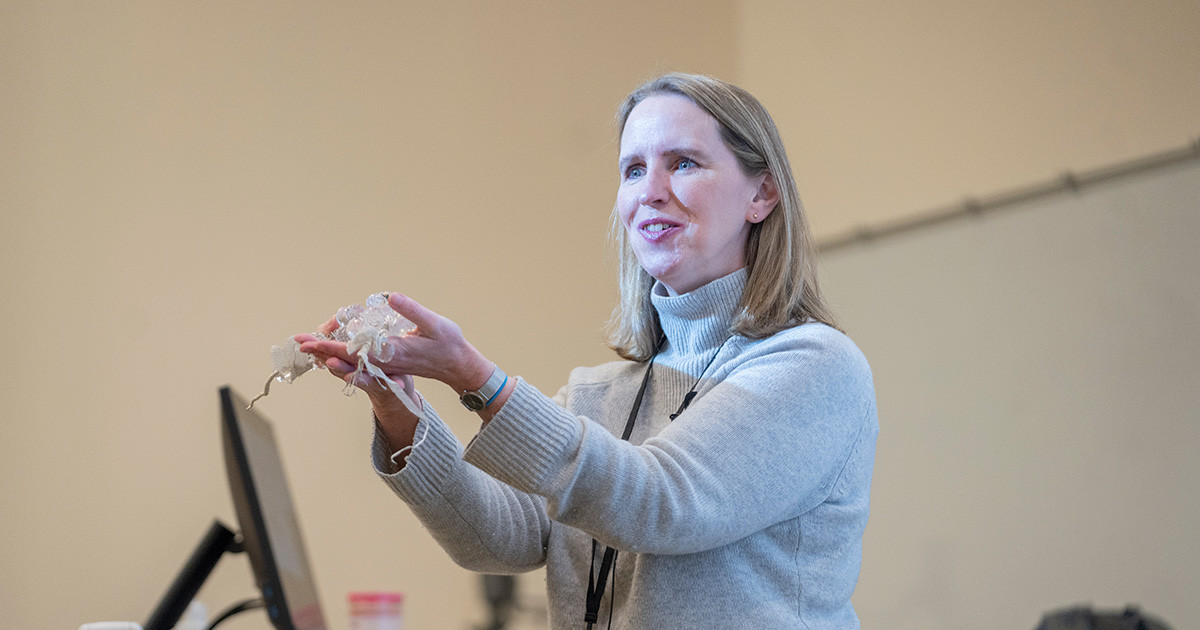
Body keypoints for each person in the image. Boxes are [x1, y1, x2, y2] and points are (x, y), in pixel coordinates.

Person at [297, 72, 877, 629]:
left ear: (762, 192)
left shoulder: (814, 367)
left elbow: (659, 502)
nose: (649, 192)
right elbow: (499, 537)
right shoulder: (601, 394)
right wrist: (396, 404)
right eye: (632, 170)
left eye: (683, 163)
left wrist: (474, 376)